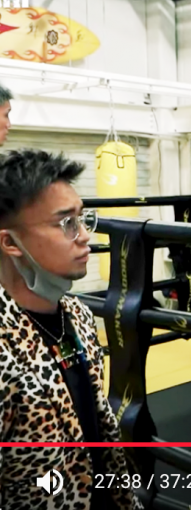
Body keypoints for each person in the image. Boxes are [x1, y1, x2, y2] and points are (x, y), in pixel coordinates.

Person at [0, 149, 141, 508]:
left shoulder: (77, 315)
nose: (84, 236)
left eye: (81, 218)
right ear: (10, 243)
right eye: (65, 223)